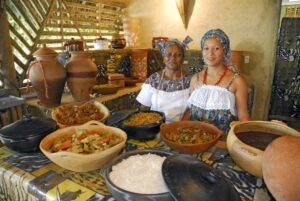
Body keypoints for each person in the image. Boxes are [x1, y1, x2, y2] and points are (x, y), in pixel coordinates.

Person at [182, 29, 250, 133]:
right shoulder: (196, 78)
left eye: (216, 48)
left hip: (222, 142)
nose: (210, 53)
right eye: (206, 48)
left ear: (225, 51)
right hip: (193, 140)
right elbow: (189, 111)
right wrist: (179, 129)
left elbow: (243, 117)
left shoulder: (237, 81)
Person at [136, 36, 193, 122]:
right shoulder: (153, 80)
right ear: (163, 58)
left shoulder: (190, 80)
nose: (173, 58)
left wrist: (180, 127)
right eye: (168, 54)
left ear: (182, 59)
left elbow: (191, 109)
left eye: (178, 55)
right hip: (155, 129)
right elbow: (144, 109)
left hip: (180, 129)